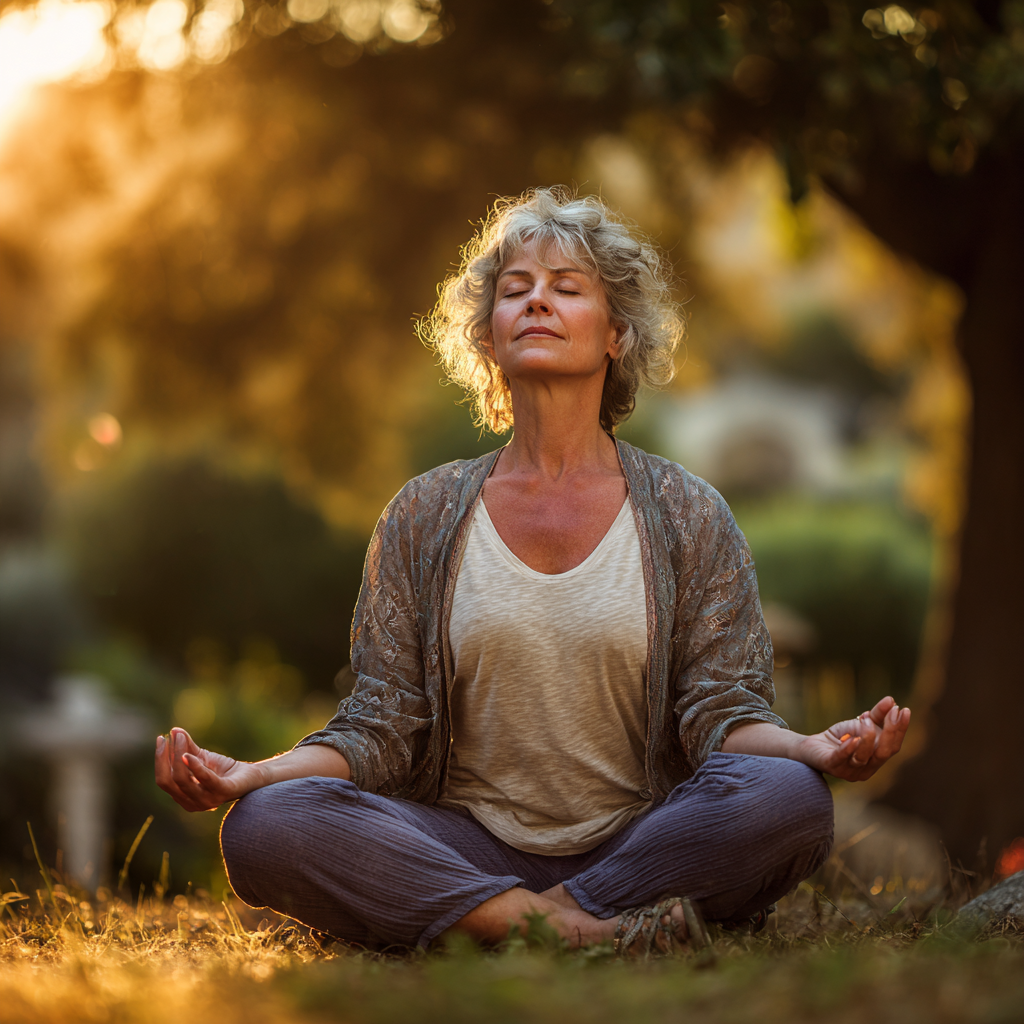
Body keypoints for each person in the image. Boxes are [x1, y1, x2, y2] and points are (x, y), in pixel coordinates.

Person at [155, 188, 911, 956]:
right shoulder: (423, 514)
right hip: (463, 843)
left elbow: (722, 712)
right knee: (266, 824)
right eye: (516, 291)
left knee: (788, 800)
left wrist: (811, 749)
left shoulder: (690, 513)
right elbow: (380, 725)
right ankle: (584, 932)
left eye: (566, 288)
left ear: (616, 333)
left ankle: (497, 922)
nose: (537, 302)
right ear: (488, 338)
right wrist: (256, 774)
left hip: (644, 841)